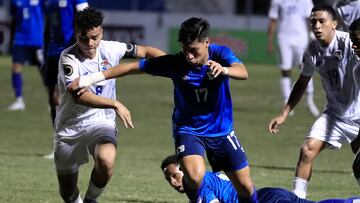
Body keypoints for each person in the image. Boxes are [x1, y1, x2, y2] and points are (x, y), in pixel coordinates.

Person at [68, 17, 258, 203]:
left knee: (246, 188)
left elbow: (243, 72)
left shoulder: (221, 54)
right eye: (185, 50)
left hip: (222, 131)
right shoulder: (176, 63)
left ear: (207, 42)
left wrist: (224, 70)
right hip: (189, 130)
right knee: (195, 175)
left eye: (194, 50)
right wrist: (88, 79)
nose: (189, 56)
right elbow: (132, 67)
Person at [55, 7, 165, 203]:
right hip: (70, 126)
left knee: (106, 159)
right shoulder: (68, 58)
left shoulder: (110, 48)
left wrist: (172, 65)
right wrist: (114, 103)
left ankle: (90, 200)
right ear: (75, 33)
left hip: (101, 121)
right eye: (83, 38)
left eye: (94, 37)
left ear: (101, 33)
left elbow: (147, 51)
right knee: (68, 193)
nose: (90, 44)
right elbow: (79, 96)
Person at [268, 5, 360, 198]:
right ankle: (297, 199)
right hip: (334, 116)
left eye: (322, 21)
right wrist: (284, 113)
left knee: (358, 167)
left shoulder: (350, 43)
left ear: (334, 24)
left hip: (359, 115)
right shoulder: (312, 51)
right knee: (307, 150)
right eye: (313, 22)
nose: (317, 26)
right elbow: (302, 83)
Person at [161, 154, 360, 203]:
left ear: (186, 168)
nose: (173, 182)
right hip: (271, 194)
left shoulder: (200, 186)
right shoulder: (209, 177)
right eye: (168, 179)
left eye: (174, 175)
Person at [42, 0, 88, 159]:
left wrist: (80, 48)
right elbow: (48, 26)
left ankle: (74, 143)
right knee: (52, 99)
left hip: (70, 54)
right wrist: (44, 49)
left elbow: (87, 19)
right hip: (52, 54)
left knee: (72, 97)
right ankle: (60, 144)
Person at [267, 0, 320, 117]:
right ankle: (287, 103)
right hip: (284, 37)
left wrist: (313, 34)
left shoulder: (306, 1)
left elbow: (310, 19)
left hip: (301, 37)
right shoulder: (277, 1)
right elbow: (273, 20)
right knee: (285, 71)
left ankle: (310, 101)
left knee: (305, 68)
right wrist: (270, 41)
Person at [8, 0, 44, 111]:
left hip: (37, 40)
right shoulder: (15, 1)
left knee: (45, 71)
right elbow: (14, 18)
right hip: (20, 40)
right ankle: (19, 100)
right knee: (16, 67)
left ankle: (54, 98)